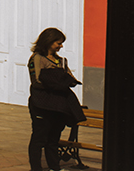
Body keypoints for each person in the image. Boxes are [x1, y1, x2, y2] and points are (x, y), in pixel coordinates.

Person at [27, 28, 85, 171]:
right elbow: (37, 81)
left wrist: (67, 81)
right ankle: (36, 168)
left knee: (53, 139)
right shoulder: (37, 58)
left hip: (58, 106)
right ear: (48, 41)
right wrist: (57, 82)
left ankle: (54, 167)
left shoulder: (61, 61)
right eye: (58, 43)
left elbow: (69, 77)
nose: (61, 46)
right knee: (39, 138)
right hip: (42, 105)